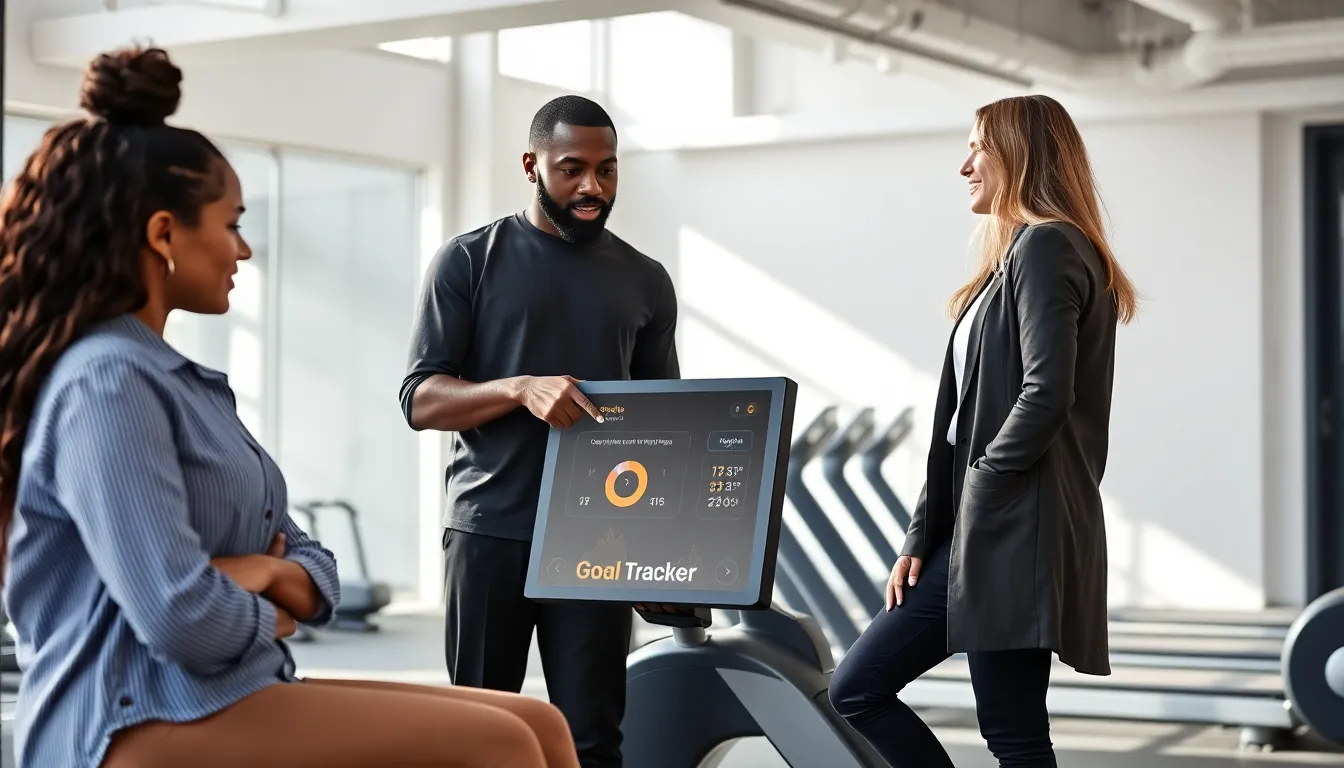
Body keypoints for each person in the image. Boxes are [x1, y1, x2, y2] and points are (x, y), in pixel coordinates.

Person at [0, 46, 580, 768]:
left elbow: (311, 561)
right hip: (127, 715)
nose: (243, 249)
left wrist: (267, 571)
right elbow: (180, 617)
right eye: (231, 223)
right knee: (502, 746)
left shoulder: (183, 383)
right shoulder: (107, 382)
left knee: (541, 722)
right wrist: (272, 601)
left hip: (225, 686)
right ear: (163, 235)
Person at [828, 94, 1139, 767]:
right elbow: (961, 425)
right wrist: (923, 535)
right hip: (992, 526)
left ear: (1020, 154)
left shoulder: (1048, 245)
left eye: (978, 146)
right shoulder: (1015, 261)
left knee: (863, 690)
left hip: (1010, 529)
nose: (964, 165)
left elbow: (1046, 392)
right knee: (1014, 733)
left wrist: (984, 484)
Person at [401, 95, 680, 768]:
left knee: (593, 740)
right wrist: (520, 388)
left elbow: (663, 424)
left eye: (607, 170)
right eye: (572, 169)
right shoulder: (468, 261)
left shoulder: (645, 280)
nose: (593, 187)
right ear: (532, 165)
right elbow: (421, 399)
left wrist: (663, 548)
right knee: (481, 732)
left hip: (599, 541)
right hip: (491, 527)